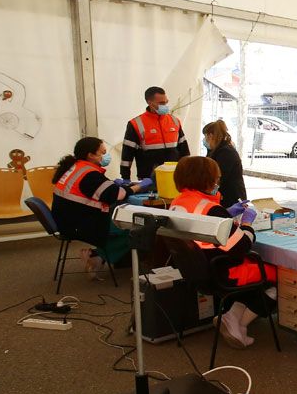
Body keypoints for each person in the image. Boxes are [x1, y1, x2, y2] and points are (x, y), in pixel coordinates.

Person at [168, 156, 273, 349]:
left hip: (193, 270)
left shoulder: (178, 202)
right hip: (220, 272)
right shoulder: (211, 210)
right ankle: (236, 322)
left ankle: (232, 316)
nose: (218, 182)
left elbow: (201, 223)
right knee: (277, 274)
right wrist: (247, 223)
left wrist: (225, 213)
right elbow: (241, 247)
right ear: (206, 180)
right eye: (216, 178)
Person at [51, 137, 152, 277]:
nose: (106, 156)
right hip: (80, 224)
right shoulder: (90, 174)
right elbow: (117, 195)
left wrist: (115, 185)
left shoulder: (76, 166)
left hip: (68, 219)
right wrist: (139, 186)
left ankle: (98, 255)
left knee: (126, 219)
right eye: (102, 153)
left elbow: (97, 190)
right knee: (139, 226)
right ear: (90, 155)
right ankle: (97, 255)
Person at [120, 86, 190, 185]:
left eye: (166, 102)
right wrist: (125, 176)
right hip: (149, 178)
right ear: (149, 102)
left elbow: (184, 149)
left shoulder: (174, 121)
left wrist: (187, 171)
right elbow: (127, 153)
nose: (165, 105)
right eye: (161, 103)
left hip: (174, 176)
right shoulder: (136, 123)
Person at [203, 119, 247, 207]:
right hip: (224, 196)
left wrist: (209, 192)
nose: (204, 140)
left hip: (232, 198)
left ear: (210, 136)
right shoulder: (216, 150)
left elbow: (219, 176)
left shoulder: (226, 152)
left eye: (205, 136)